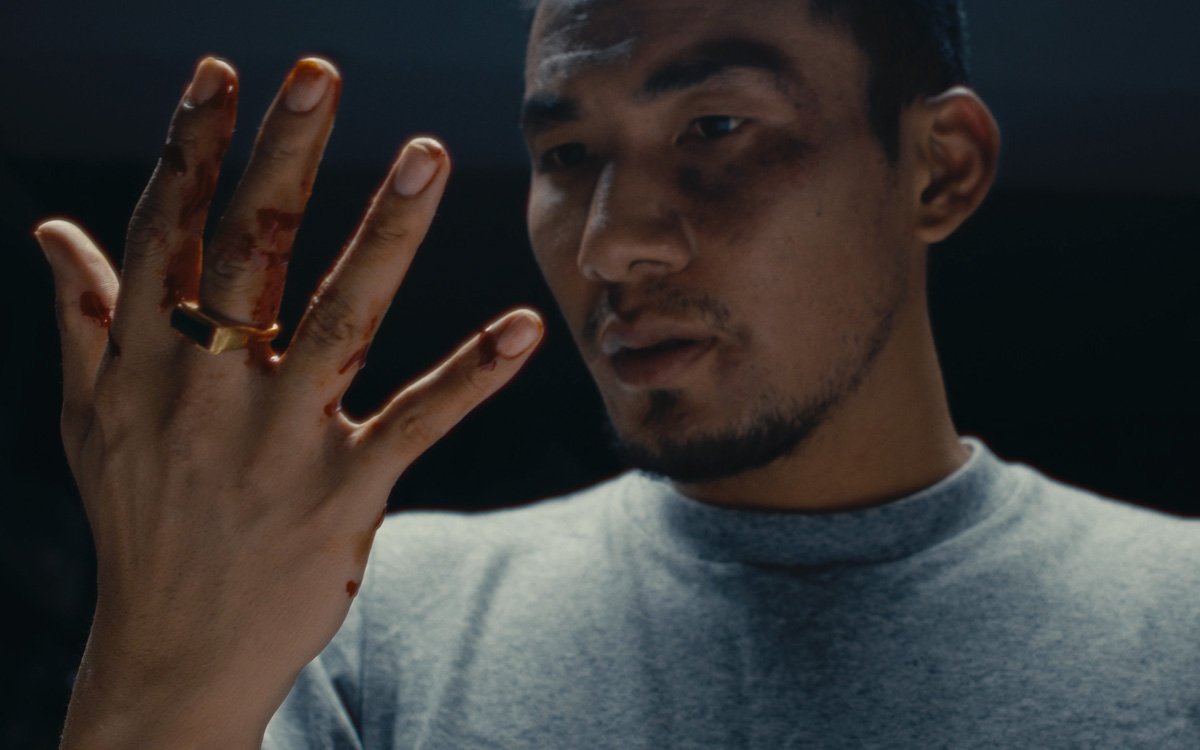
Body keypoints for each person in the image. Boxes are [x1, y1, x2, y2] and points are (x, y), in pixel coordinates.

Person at [35, 0, 1197, 747]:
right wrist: (156, 680)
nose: (609, 242)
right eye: (568, 154)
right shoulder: (361, 627)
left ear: (937, 170)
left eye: (715, 128)